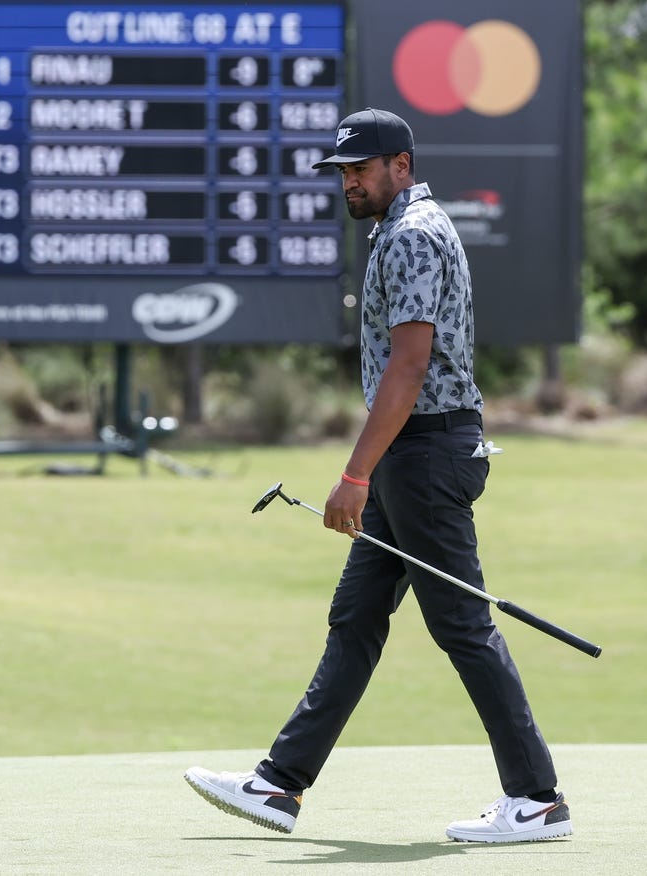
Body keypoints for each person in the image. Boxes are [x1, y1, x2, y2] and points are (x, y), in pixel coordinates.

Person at [185, 108, 572, 844]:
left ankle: (537, 797)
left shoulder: (414, 234)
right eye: (343, 173)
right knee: (356, 618)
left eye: (360, 170)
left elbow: (411, 363)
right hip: (412, 455)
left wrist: (355, 473)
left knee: (461, 624)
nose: (350, 183)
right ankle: (281, 784)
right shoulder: (395, 231)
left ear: (401, 163)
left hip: (424, 456)